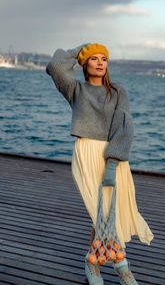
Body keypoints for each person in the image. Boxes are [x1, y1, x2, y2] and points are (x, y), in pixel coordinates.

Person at [46, 43, 154, 285]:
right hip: (85, 153)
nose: (99, 62)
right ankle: (123, 268)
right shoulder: (75, 90)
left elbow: (124, 128)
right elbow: (55, 65)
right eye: (93, 58)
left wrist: (113, 162)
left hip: (112, 155)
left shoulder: (117, 92)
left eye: (103, 58)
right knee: (100, 214)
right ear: (85, 64)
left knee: (109, 214)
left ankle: (93, 263)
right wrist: (79, 50)